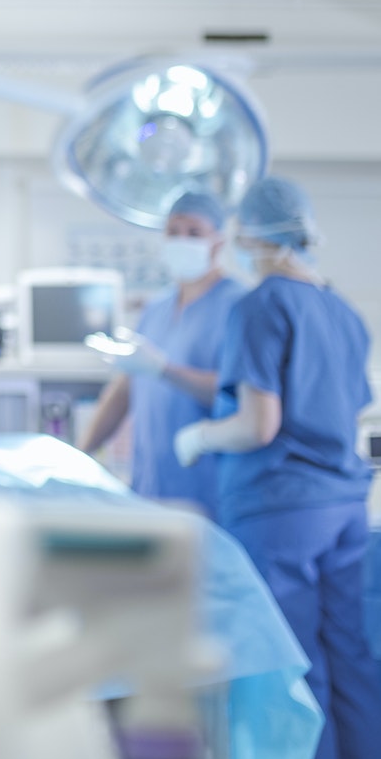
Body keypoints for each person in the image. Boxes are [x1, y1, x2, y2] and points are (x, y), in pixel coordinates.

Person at [175, 177, 381, 759]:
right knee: (349, 656)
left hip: (282, 510)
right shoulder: (343, 310)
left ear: (256, 237)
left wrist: (202, 439)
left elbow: (258, 423)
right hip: (345, 504)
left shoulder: (260, 304)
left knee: (291, 667)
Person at [79, 190, 244, 518]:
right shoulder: (156, 308)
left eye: (194, 233)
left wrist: (164, 370)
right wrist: (81, 453)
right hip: (151, 486)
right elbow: (126, 388)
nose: (182, 240)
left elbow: (239, 394)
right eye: (173, 232)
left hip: (209, 489)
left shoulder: (239, 305)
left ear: (218, 242)